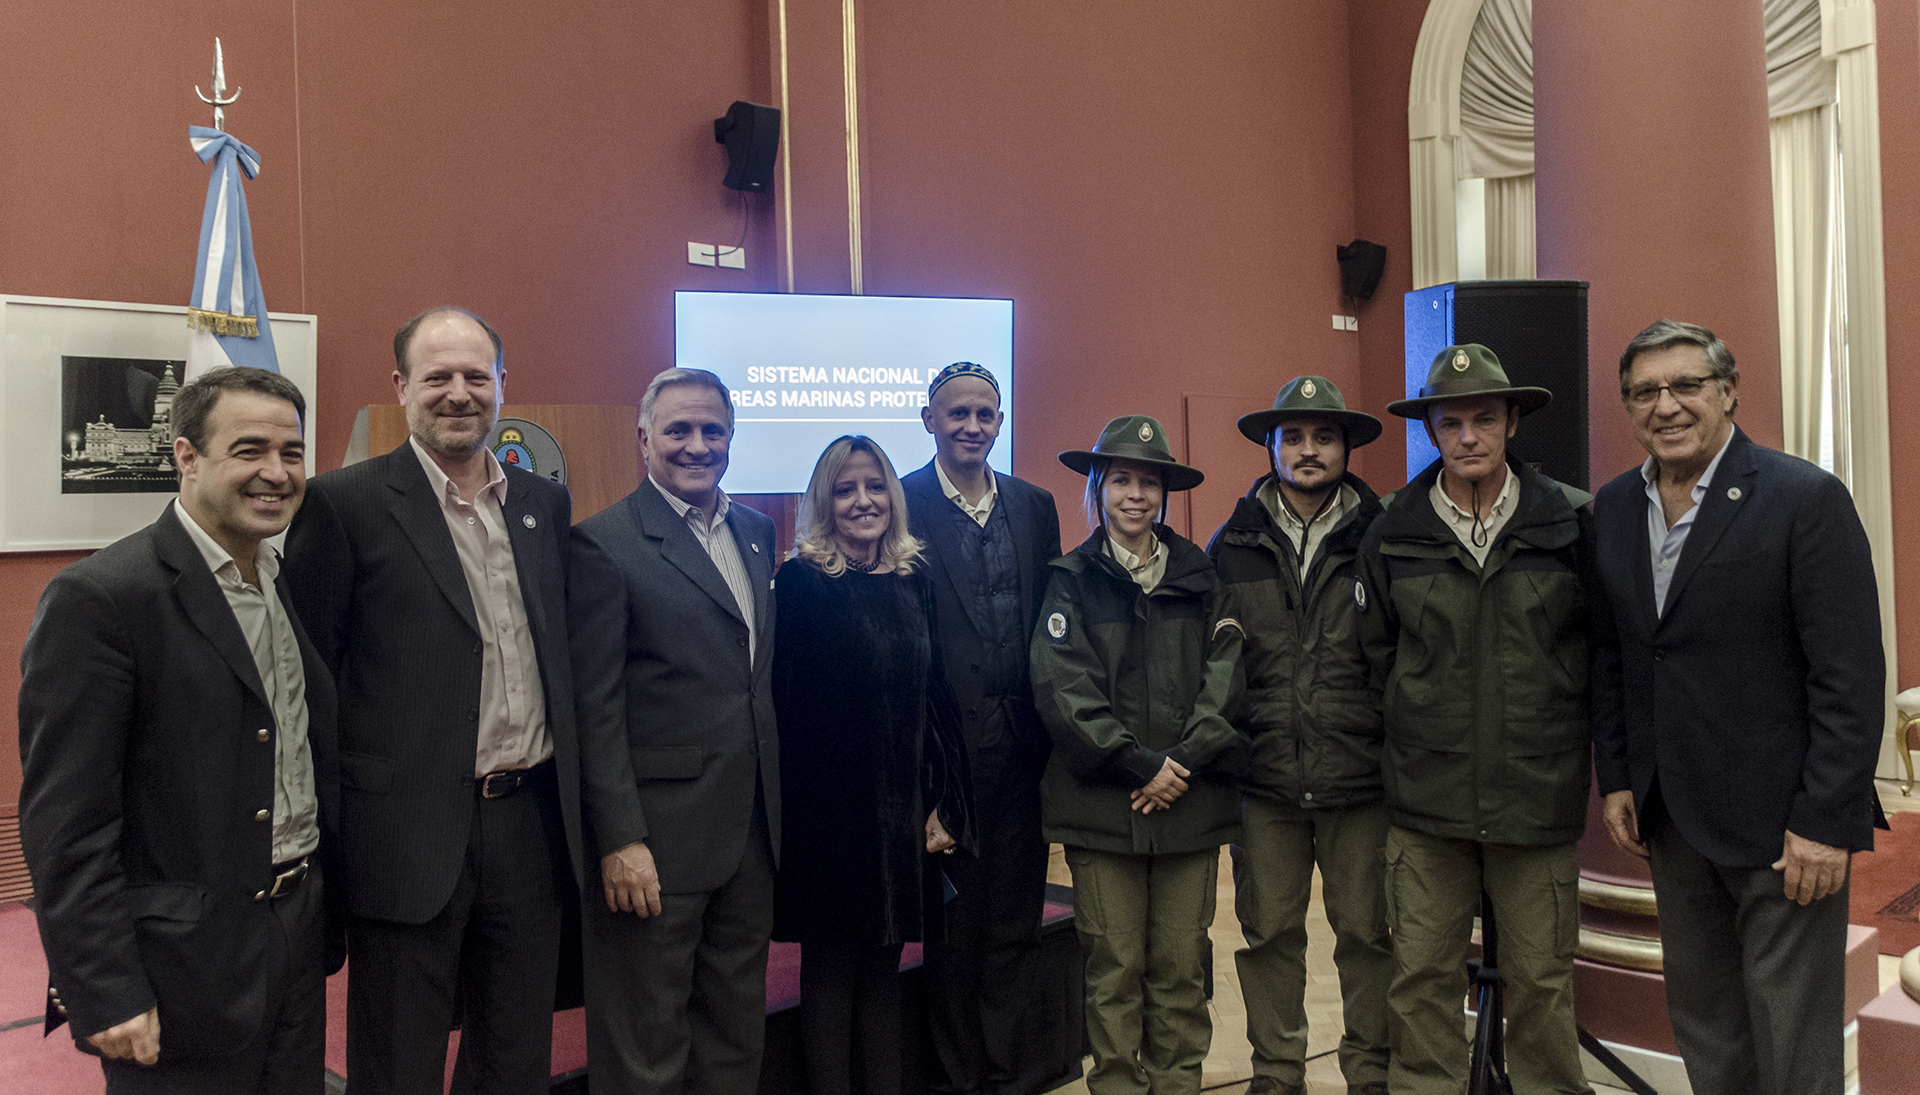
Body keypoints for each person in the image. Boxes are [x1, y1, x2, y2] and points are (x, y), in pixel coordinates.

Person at [284, 307, 581, 1095]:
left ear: (502, 385)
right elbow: (311, 684)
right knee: (398, 1060)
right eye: (438, 376)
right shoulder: (341, 504)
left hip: (528, 821)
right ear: (401, 388)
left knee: (515, 1054)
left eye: (476, 376)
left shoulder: (543, 506)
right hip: (403, 834)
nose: (458, 393)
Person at [21, 366, 339, 1094]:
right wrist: (106, 988)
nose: (276, 472)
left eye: (291, 452)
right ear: (186, 455)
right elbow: (66, 824)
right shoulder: (102, 598)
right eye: (249, 449)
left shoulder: (283, 578)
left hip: (293, 932)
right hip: (179, 963)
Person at [1590, 320, 1885, 1095]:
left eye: (1687, 384)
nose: (1668, 405)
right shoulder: (1616, 507)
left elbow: (1849, 676)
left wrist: (1827, 817)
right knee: (1708, 1027)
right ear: (1628, 407)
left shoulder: (1802, 498)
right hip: (1671, 816)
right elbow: (1617, 655)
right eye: (1646, 391)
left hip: (1784, 824)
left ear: (1728, 390)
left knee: (1792, 1036)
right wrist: (1618, 774)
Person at [1357, 344, 1594, 1095]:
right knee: (1420, 980)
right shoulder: (1392, 527)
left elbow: (1599, 653)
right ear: (1430, 428)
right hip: (1427, 806)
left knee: (1542, 984)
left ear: (1512, 421)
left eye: (1483, 418)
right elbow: (1374, 658)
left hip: (1537, 795)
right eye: (1450, 420)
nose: (1467, 436)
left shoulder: (1574, 519)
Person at [567, 367, 781, 1095]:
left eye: (712, 429)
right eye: (679, 430)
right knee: (646, 1048)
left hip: (749, 834)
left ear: (731, 436)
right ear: (644, 439)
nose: (698, 445)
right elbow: (593, 710)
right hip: (656, 844)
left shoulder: (755, 531)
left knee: (734, 1033)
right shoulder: (603, 545)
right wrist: (621, 838)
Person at [1031, 414, 1244, 1095]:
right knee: (1113, 966)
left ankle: (1177, 1084)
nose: (1135, 495)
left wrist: (1179, 759)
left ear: (1164, 493)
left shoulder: (1200, 574)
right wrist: (1137, 762)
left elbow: (1228, 673)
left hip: (1190, 802)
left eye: (1148, 482)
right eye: (1120, 479)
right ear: (1098, 487)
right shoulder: (1069, 579)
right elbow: (1063, 690)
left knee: (1181, 965)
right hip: (1103, 805)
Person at [772, 434, 972, 1095]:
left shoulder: (914, 578)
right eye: (846, 489)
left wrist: (944, 802)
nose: (864, 500)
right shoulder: (800, 582)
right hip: (828, 825)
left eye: (875, 485)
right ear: (824, 503)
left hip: (901, 821)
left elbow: (936, 695)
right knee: (829, 977)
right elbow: (783, 709)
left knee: (886, 971)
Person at [1209, 376, 1390, 1095]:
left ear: (1346, 446)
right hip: (1266, 779)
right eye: (1294, 437)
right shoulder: (1233, 544)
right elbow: (1214, 666)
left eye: (1323, 436)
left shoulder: (1384, 536)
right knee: (1269, 935)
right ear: (1272, 446)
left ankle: (1372, 1069)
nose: (1308, 450)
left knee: (1371, 937)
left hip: (1363, 778)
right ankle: (1277, 1070)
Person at [901, 361, 1062, 1095]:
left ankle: (1013, 1074)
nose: (971, 425)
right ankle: (957, 1079)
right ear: (929, 418)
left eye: (985, 413)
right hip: (945, 760)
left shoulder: (1034, 505)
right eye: (956, 412)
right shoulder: (899, 501)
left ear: (1000, 421)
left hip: (1024, 753)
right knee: (955, 937)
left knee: (1017, 926)